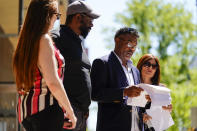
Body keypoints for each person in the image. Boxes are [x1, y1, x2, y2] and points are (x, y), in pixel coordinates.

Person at [13, 0, 76, 130]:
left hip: (26, 111)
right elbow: (53, 82)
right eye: (57, 15)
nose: (56, 20)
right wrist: (70, 111)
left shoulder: (25, 43)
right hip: (46, 110)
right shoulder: (44, 39)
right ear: (47, 15)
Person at [51, 1, 100, 131]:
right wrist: (57, 114)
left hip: (79, 115)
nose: (92, 24)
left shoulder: (78, 42)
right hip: (64, 114)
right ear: (78, 17)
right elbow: (47, 76)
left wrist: (85, 108)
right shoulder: (57, 37)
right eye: (90, 19)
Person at [91, 27, 145, 131]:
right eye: (129, 44)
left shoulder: (135, 71)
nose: (132, 49)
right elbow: (95, 94)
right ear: (117, 40)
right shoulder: (102, 63)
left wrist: (149, 101)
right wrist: (124, 92)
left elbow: (137, 103)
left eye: (135, 46)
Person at [137, 54, 172, 131]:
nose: (150, 68)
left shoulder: (162, 89)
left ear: (156, 70)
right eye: (147, 64)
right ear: (140, 65)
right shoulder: (134, 88)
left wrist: (168, 110)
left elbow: (165, 114)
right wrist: (140, 116)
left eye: (154, 66)